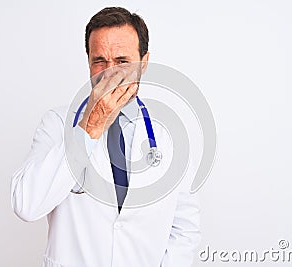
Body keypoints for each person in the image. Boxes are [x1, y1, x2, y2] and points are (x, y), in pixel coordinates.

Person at [11, 7, 201, 267]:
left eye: (122, 61)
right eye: (99, 60)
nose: (109, 72)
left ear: (143, 63)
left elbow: (184, 229)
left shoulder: (169, 136)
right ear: (88, 62)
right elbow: (26, 205)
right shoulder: (56, 124)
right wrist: (90, 127)